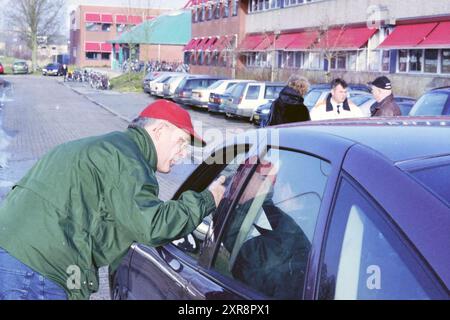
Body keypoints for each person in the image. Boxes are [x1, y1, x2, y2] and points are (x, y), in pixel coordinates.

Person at [0, 100, 226, 300]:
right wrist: (208, 199)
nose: (184, 153)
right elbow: (153, 225)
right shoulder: (126, 159)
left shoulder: (110, 147)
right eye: (181, 142)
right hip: (36, 271)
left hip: (15, 258)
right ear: (159, 130)